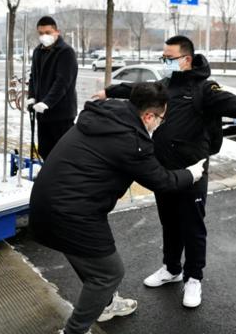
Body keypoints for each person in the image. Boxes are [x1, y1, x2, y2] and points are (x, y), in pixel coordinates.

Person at [95, 35, 236, 308]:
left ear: (185, 60)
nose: (164, 61)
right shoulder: (165, 85)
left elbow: (230, 101)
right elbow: (138, 89)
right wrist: (110, 91)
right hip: (164, 170)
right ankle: (171, 269)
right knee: (170, 223)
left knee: (192, 227)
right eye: (162, 56)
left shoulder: (203, 88)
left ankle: (193, 277)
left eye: (168, 57)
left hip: (193, 170)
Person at [29, 82, 206, 334]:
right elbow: (161, 181)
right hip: (72, 213)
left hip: (48, 203)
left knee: (93, 264)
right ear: (148, 116)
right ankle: (74, 331)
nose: (160, 124)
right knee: (109, 273)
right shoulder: (131, 141)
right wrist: (190, 174)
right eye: (161, 119)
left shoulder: (105, 115)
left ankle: (107, 304)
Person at [26, 16, 78, 160]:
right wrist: (31, 96)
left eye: (48, 32)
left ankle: (64, 180)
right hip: (42, 113)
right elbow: (33, 77)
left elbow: (63, 82)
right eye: (41, 33)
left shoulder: (65, 52)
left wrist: (47, 102)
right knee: (45, 150)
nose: (44, 36)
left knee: (63, 154)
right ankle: (48, 178)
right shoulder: (38, 52)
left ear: (57, 32)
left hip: (61, 114)